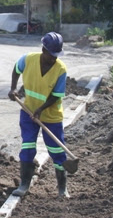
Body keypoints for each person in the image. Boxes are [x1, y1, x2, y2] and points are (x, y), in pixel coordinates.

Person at [8, 32, 69, 198]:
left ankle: (62, 188)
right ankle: (24, 184)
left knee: (57, 151)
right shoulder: (28, 59)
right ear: (43, 50)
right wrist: (13, 88)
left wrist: (41, 109)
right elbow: (16, 69)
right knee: (27, 147)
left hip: (51, 115)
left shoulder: (60, 69)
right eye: (51, 54)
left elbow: (56, 95)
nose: (54, 58)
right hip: (28, 111)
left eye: (56, 55)